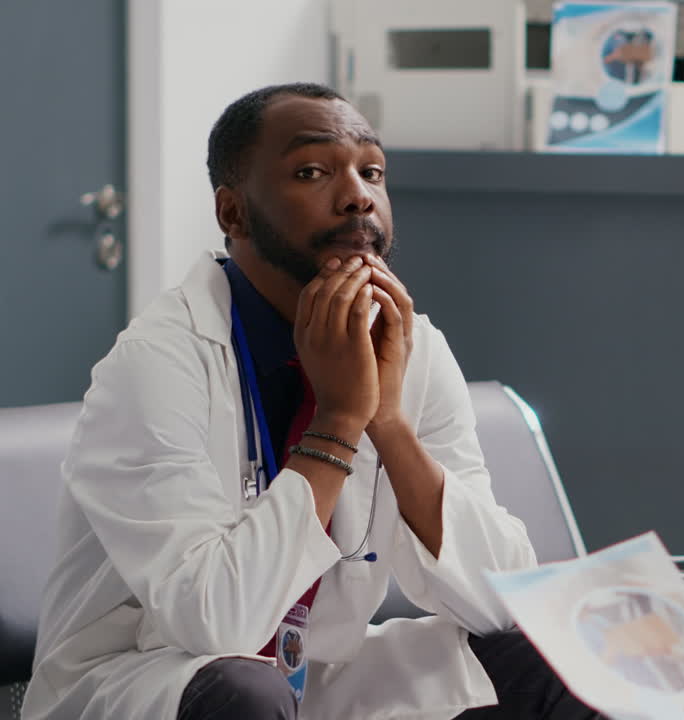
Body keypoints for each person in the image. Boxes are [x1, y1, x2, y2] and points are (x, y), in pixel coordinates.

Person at [23, 83, 601, 720]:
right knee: (243, 692)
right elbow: (219, 624)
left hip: (320, 672)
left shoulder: (415, 346)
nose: (358, 195)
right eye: (312, 172)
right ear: (233, 213)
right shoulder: (157, 364)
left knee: (562, 659)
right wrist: (339, 422)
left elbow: (503, 598)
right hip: (151, 676)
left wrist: (386, 421)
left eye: (372, 172)